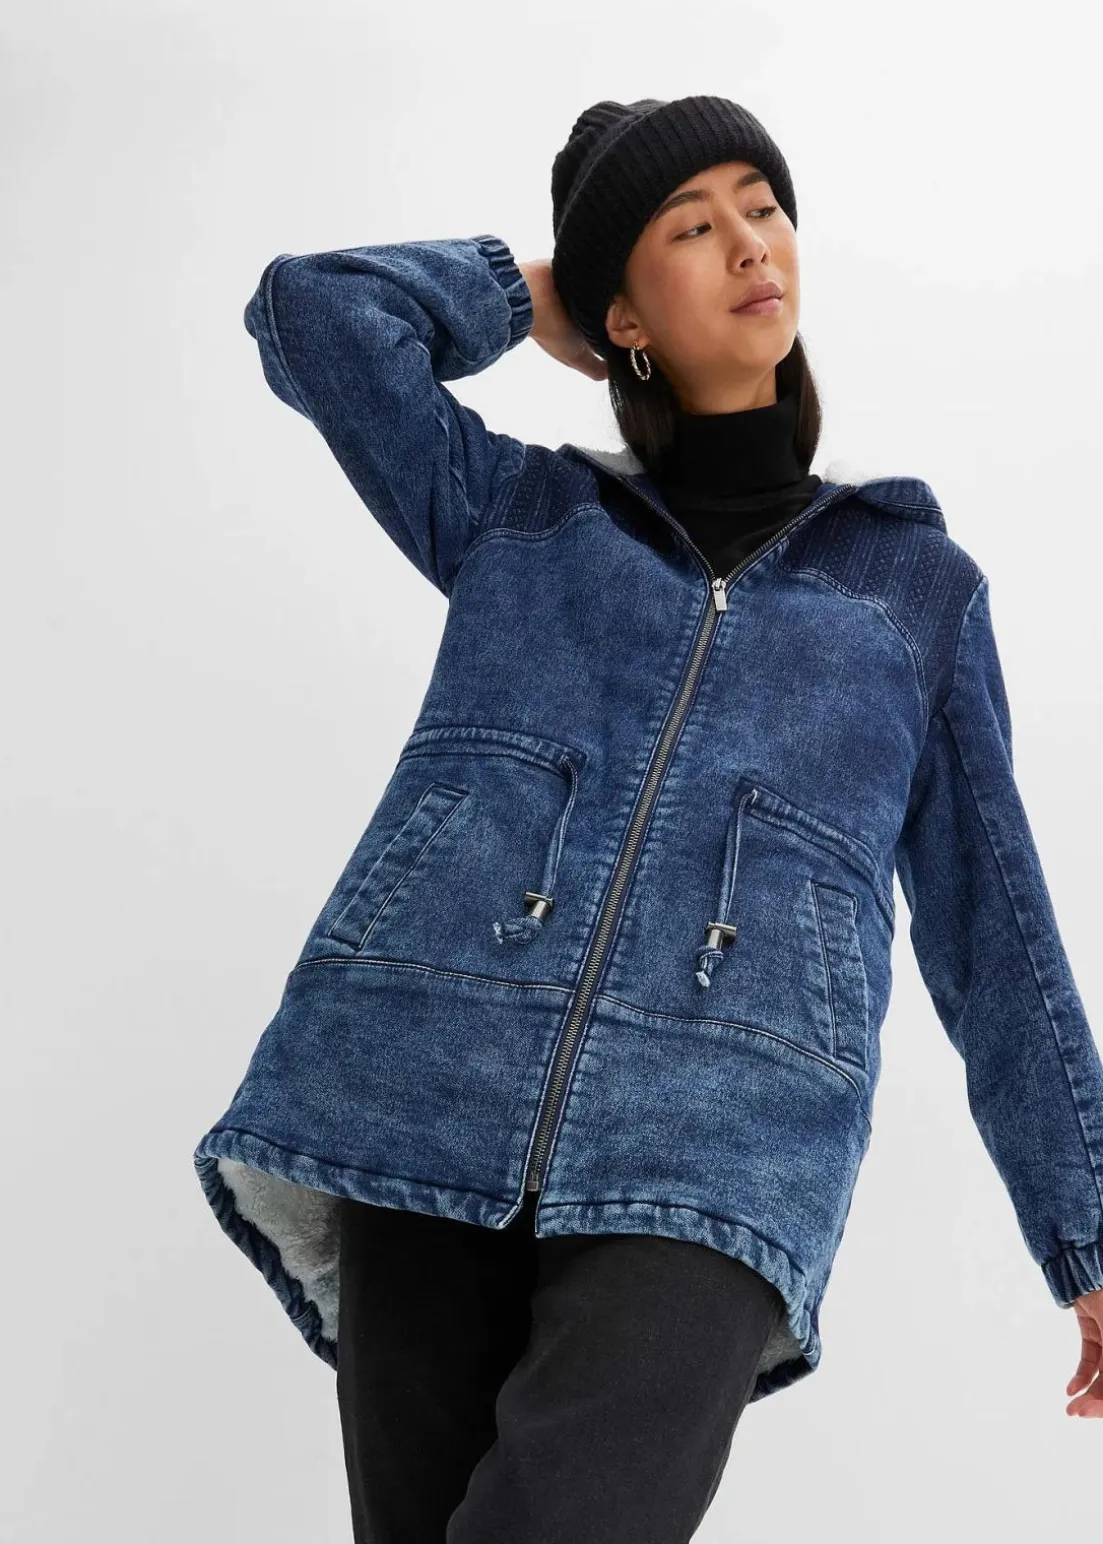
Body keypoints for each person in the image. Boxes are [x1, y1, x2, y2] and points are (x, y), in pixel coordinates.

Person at [193, 96, 1103, 1540]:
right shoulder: (521, 514)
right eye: (689, 226)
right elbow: (315, 317)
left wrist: (1085, 1226)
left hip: (724, 1137)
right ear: (621, 310)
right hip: (422, 1078)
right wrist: (534, 293)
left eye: (762, 205)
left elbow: (996, 933)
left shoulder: (913, 593)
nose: (749, 244)